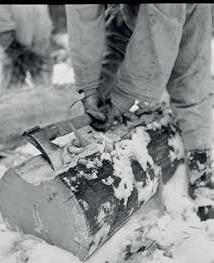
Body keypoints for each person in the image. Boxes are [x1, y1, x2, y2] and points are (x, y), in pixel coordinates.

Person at [65, 4, 213, 208]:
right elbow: (82, 15)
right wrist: (89, 87)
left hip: (182, 8)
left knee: (189, 85)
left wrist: (122, 98)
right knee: (107, 72)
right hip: (126, 8)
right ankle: (98, 146)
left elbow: (160, 26)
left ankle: (202, 173)